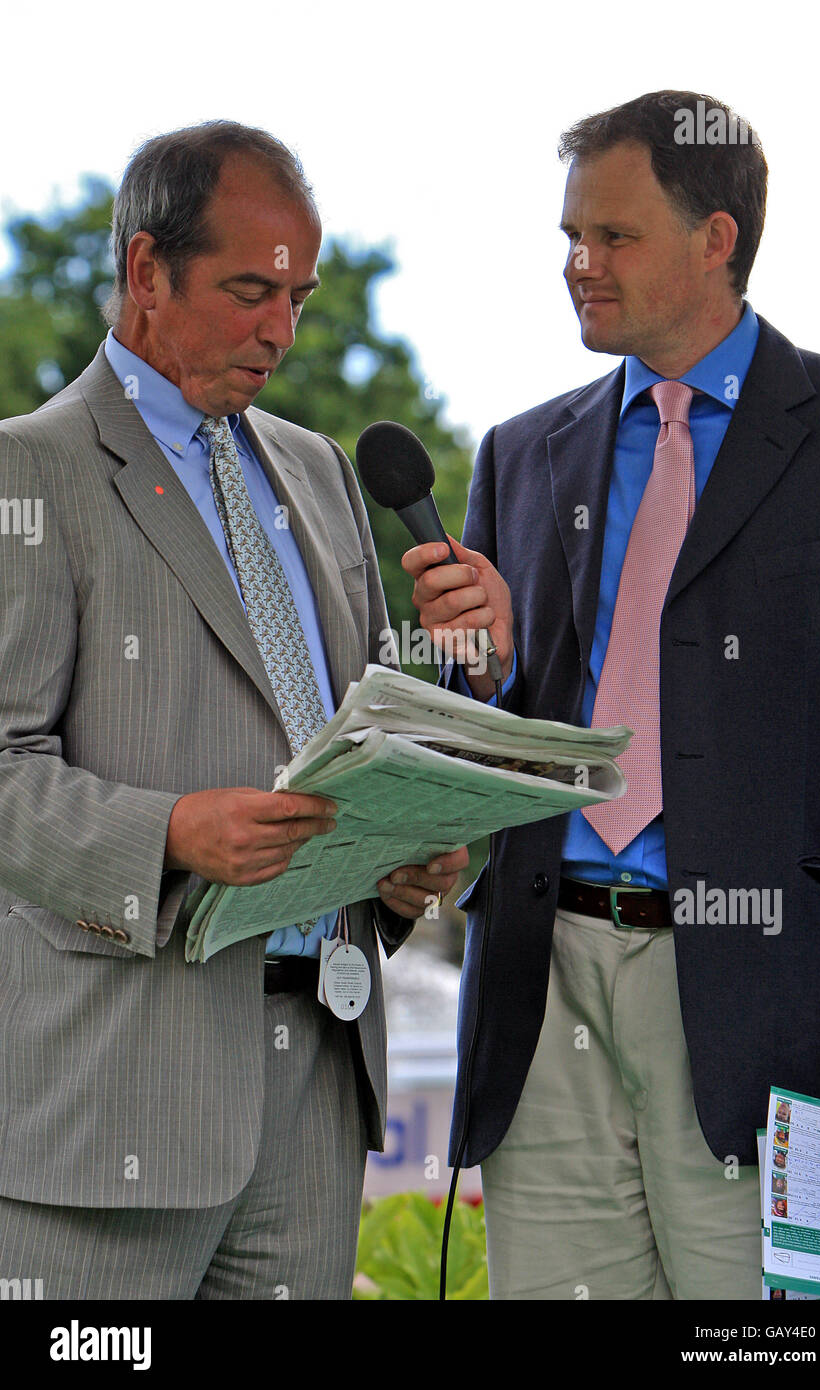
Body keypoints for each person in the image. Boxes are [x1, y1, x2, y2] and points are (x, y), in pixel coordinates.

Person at [403, 89, 820, 1299]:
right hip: (539, 979)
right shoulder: (518, 449)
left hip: (772, 1007)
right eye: (569, 236)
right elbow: (501, 728)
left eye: (611, 237)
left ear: (715, 239)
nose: (577, 265)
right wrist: (482, 665)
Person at [0, 120, 466, 1300]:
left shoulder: (316, 472)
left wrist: (405, 856)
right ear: (146, 271)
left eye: (298, 294)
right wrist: (166, 836)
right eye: (250, 290)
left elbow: (363, 736)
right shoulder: (30, 472)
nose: (281, 330)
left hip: (314, 1087)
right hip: (110, 1112)